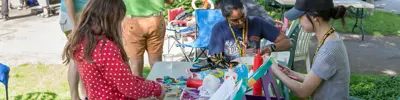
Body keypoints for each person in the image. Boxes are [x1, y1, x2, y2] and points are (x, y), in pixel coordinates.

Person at [62, 0, 166, 99]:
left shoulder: (84, 41)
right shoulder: (105, 48)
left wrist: (148, 85)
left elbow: (123, 78)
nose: (120, 26)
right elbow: (129, 86)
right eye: (119, 21)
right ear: (110, 20)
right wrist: (157, 89)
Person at [270, 0, 350, 99]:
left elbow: (303, 91)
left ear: (315, 17)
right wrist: (292, 73)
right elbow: (318, 77)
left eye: (300, 17)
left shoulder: (328, 50)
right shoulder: (331, 37)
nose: (299, 21)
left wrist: (274, 69)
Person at [208, 0, 292, 62]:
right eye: (235, 20)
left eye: (242, 16)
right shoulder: (219, 29)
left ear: (244, 10)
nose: (240, 22)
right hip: (230, 74)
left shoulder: (256, 22)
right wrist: (239, 57)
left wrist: (271, 47)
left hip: (254, 73)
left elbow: (287, 42)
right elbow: (214, 60)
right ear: (225, 17)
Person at [122, 0, 174, 77]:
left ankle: (137, 88)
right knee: (156, 62)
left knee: (135, 64)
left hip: (132, 22)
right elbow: (171, 1)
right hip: (155, 20)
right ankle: (159, 87)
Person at [59, 0, 88, 99]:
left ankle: (85, 95)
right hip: (74, 18)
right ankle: (75, 96)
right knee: (76, 58)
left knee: (83, 58)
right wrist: (75, 25)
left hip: (85, 17)